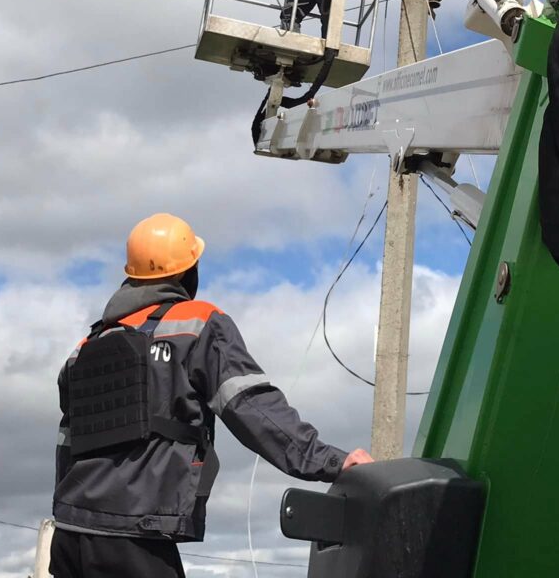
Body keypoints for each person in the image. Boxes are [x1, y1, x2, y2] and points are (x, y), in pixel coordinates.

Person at [51, 213, 373, 577]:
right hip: (136, 537)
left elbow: (69, 442)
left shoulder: (84, 348)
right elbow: (251, 406)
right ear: (189, 271)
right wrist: (330, 461)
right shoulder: (199, 323)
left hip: (69, 535)